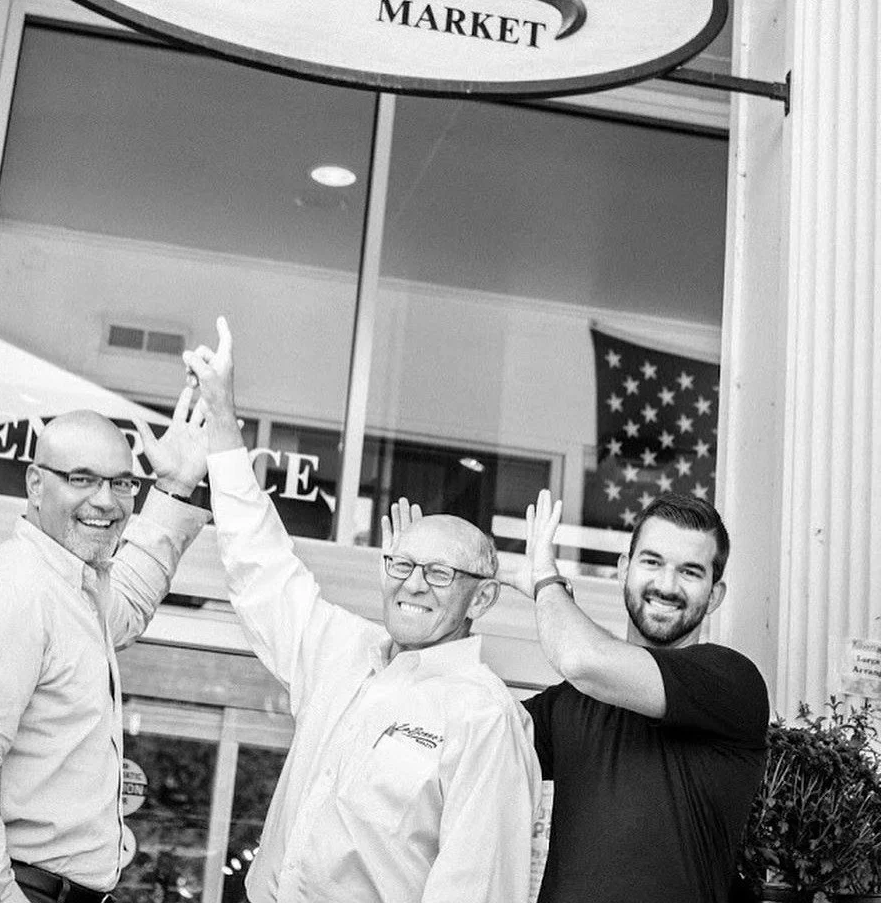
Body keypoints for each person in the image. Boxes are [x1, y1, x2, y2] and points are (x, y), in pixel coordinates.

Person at [183, 316, 541, 903]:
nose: (414, 585)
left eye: (440, 573)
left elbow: (478, 888)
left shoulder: (484, 717)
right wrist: (222, 419)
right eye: (403, 565)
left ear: (483, 596)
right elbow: (261, 562)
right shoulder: (342, 651)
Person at [0, 393, 212, 903]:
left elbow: (130, 603)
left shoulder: (71, 589)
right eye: (82, 478)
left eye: (121, 483)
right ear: (34, 483)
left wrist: (175, 487)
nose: (107, 500)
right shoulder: (8, 594)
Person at [505, 489, 770, 903]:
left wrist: (546, 582)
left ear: (715, 595)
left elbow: (580, 657)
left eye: (690, 572)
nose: (667, 585)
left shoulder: (733, 683)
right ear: (624, 569)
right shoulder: (570, 703)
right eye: (652, 562)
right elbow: (471, 742)